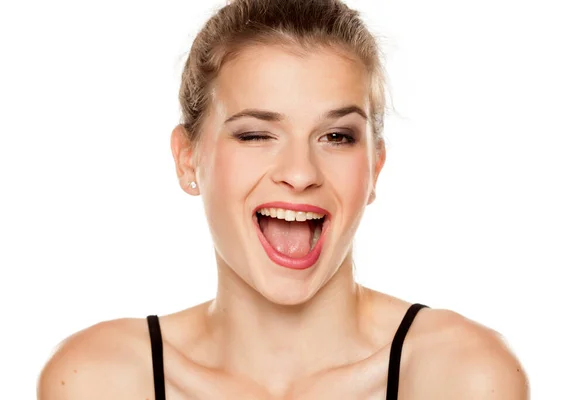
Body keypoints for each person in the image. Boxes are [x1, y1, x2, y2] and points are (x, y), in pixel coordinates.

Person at [37, 0, 529, 398]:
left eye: (336, 136)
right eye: (255, 135)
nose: (299, 174)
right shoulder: (99, 380)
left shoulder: (461, 376)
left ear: (375, 166)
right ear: (188, 159)